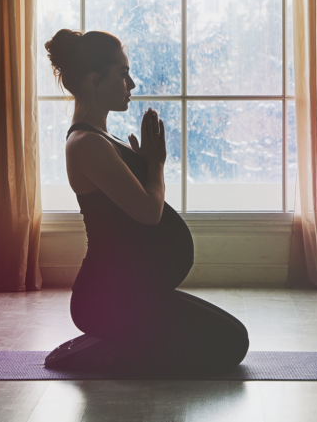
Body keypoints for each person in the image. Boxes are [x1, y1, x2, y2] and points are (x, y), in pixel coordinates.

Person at [43, 29, 249, 377]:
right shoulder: (85, 143)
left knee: (234, 336)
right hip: (106, 299)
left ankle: (111, 342)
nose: (132, 83)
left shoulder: (103, 139)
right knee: (229, 346)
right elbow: (148, 213)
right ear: (95, 80)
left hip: (133, 293)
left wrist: (146, 165)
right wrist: (154, 165)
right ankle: (104, 355)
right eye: (123, 74)